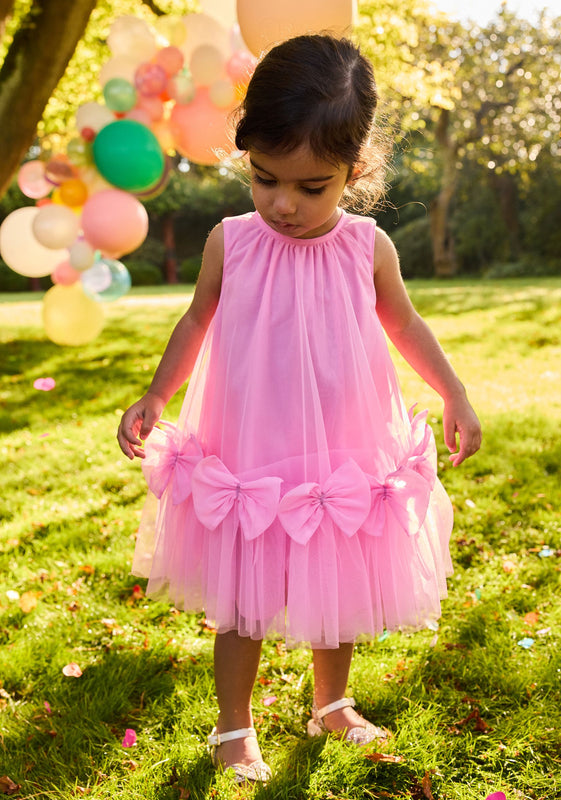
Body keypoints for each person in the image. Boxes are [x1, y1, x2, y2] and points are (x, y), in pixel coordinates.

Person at [117, 33, 481, 785]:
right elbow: (196, 322)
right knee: (243, 595)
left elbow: (405, 324)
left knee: (336, 573)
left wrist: (454, 392)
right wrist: (157, 393)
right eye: (264, 179)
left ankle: (330, 701)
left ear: (353, 171)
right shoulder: (232, 243)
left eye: (310, 187)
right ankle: (232, 725)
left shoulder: (365, 248)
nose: (283, 203)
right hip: (251, 439)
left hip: (341, 438)